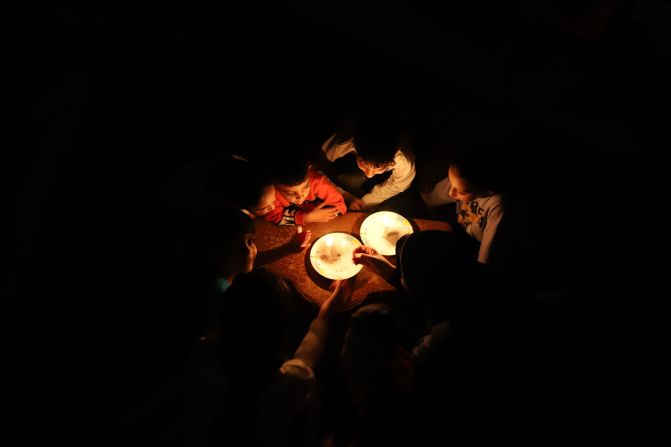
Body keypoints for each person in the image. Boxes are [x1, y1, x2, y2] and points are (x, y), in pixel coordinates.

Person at [184, 269, 355, 447]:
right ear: (280, 331)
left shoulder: (203, 351)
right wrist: (329, 311)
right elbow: (307, 356)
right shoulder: (288, 383)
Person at [421, 144, 507, 265]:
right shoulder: (461, 176)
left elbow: (486, 258)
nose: (451, 193)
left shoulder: (498, 206)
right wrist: (429, 200)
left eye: (461, 192)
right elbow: (435, 197)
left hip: (474, 244)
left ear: (486, 191)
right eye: (451, 182)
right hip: (460, 226)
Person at [319, 111, 416, 211]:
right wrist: (345, 195)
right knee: (350, 182)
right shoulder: (343, 142)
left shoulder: (404, 159)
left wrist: (366, 202)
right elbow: (319, 168)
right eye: (364, 165)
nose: (369, 174)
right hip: (347, 160)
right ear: (355, 148)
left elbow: (398, 185)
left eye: (379, 169)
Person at [265, 156, 347, 225]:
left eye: (306, 187)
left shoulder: (318, 184)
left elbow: (341, 206)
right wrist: (306, 218)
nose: (301, 197)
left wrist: (328, 214)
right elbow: (274, 217)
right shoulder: (273, 194)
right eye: (290, 193)